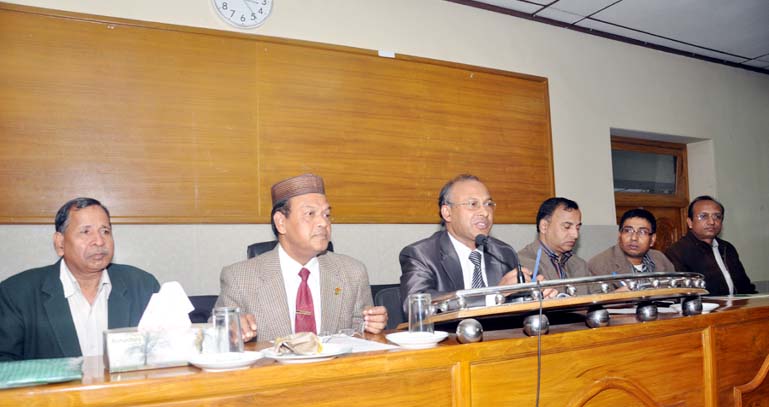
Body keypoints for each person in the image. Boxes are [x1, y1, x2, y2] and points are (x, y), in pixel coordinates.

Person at [216, 174, 387, 342]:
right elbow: (218, 333)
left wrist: (373, 326)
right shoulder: (239, 278)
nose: (323, 223)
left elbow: (361, 338)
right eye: (310, 214)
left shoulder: (352, 273)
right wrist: (230, 330)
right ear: (281, 222)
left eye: (326, 215)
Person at [0, 198, 159, 361]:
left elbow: (167, 353)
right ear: (60, 243)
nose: (99, 241)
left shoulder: (143, 285)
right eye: (86, 232)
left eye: (105, 231)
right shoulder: (16, 294)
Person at [399, 174, 530, 314]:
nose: (485, 212)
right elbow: (415, 306)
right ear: (447, 213)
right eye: (473, 204)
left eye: (488, 204)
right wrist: (493, 296)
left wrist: (536, 295)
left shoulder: (503, 252)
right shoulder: (421, 254)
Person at [665, 196, 756, 296]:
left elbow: (745, 287)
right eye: (703, 216)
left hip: (737, 308)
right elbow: (683, 293)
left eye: (717, 216)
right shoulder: (677, 252)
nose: (712, 222)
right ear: (690, 222)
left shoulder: (727, 248)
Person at [518, 197, 592, 293]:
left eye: (577, 228)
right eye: (567, 227)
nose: (575, 235)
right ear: (544, 226)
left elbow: (598, 299)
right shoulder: (523, 262)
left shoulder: (580, 264)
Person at [588, 208, 675, 276]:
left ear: (652, 239)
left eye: (642, 232)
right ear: (619, 235)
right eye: (628, 231)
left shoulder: (660, 259)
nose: (634, 238)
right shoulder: (600, 265)